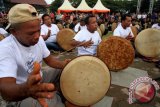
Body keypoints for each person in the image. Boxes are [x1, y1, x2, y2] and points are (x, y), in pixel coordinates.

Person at [0, 4, 70, 107]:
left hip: (39, 79)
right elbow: (6, 91)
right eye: (31, 33)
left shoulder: (39, 39)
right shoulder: (5, 48)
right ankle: (58, 97)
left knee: (67, 70)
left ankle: (61, 95)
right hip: (21, 91)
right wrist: (27, 90)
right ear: (14, 32)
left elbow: (50, 61)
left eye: (39, 30)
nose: (37, 36)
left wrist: (66, 64)